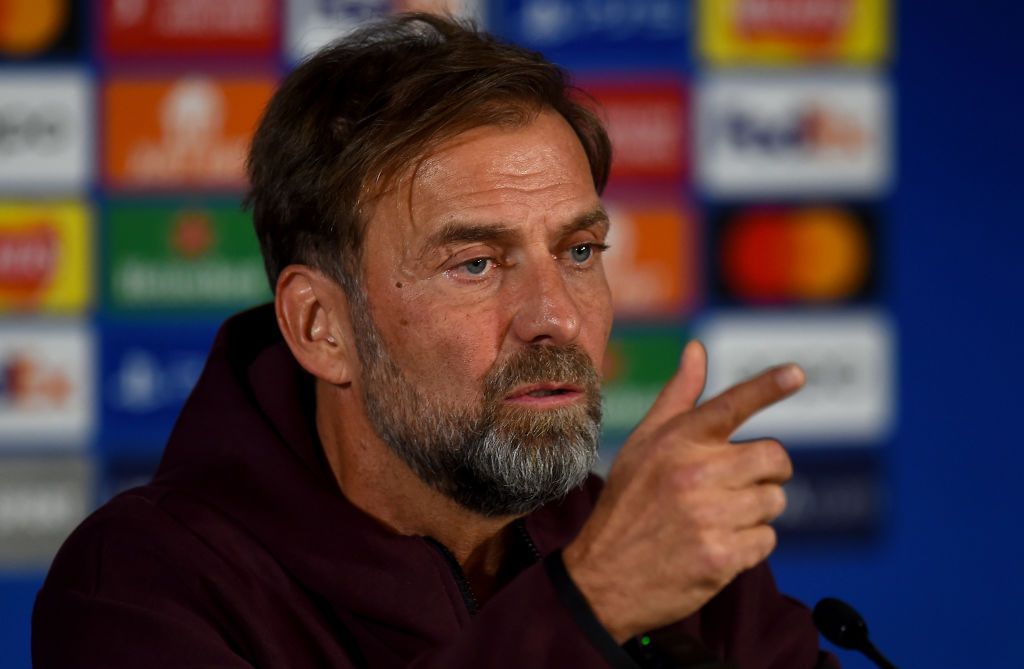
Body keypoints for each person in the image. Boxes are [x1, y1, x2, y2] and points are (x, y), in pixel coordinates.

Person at [33, 14, 837, 668]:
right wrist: (588, 606)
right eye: (477, 263)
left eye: (579, 251)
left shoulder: (661, 550)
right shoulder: (142, 585)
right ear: (322, 326)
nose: (554, 316)